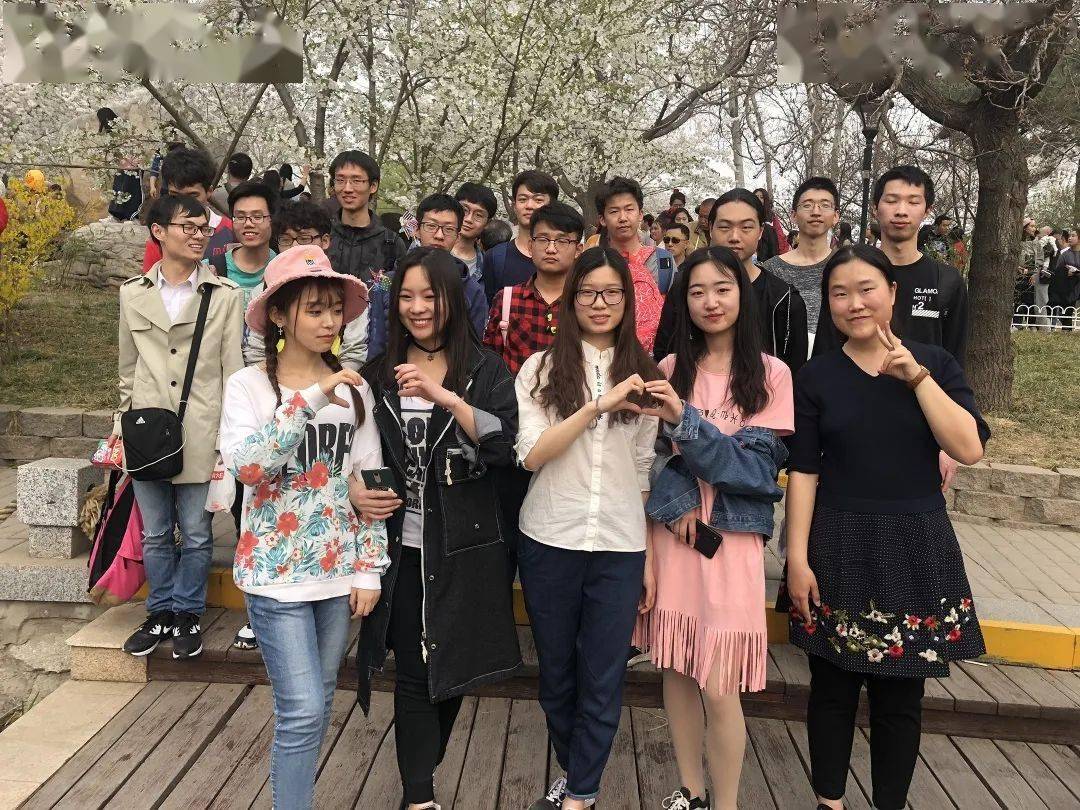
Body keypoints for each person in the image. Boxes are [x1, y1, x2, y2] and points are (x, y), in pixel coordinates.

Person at [780, 244, 988, 810]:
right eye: (839, 293)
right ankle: (829, 801)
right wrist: (796, 558)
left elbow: (968, 447)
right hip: (838, 541)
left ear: (893, 293)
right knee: (832, 688)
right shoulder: (816, 377)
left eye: (866, 289)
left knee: (900, 698)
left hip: (915, 542)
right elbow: (804, 472)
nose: (854, 303)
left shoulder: (934, 364)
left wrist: (916, 378)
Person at [218, 244, 387, 810]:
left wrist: (369, 568)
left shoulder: (356, 390)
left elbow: (369, 482)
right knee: (303, 710)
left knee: (318, 703)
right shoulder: (248, 386)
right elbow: (250, 468)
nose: (329, 321)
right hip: (274, 576)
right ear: (280, 314)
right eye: (315, 309)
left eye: (335, 309)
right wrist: (311, 398)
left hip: (337, 575)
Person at [353, 247, 521, 810]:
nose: (418, 308)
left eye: (430, 296)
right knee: (413, 670)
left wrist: (444, 396)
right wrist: (355, 490)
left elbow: (505, 445)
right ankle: (419, 796)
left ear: (452, 300)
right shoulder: (378, 374)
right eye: (406, 297)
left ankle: (421, 767)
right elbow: (352, 453)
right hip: (399, 547)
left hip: (465, 547)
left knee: (453, 668)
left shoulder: (485, 370)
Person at [634, 245, 793, 810]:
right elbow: (648, 460)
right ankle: (691, 791)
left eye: (723, 288)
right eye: (697, 291)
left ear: (742, 295)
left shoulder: (772, 375)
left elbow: (750, 471)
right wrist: (674, 506)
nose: (710, 301)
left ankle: (725, 803)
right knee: (676, 668)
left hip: (730, 545)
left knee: (721, 686)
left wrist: (686, 421)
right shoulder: (668, 370)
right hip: (673, 539)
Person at [515, 247, 660, 810]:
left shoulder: (646, 374)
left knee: (603, 675)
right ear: (571, 299)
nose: (600, 304)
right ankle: (576, 772)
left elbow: (643, 471)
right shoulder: (541, 369)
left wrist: (646, 555)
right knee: (557, 677)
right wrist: (597, 405)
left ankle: (580, 793)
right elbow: (532, 454)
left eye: (612, 293)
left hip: (619, 545)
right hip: (550, 536)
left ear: (627, 300)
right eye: (588, 293)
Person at [119, 194, 244, 659]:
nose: (198, 236)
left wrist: (227, 437)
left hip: (200, 428)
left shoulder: (224, 295)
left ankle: (187, 611)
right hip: (146, 431)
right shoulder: (132, 293)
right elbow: (127, 368)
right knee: (154, 532)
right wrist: (122, 424)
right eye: (187, 227)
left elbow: (232, 370)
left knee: (195, 531)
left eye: (203, 228)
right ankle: (159, 611)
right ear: (159, 231)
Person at [483, 201, 584, 574]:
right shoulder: (508, 299)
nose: (551, 248)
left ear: (579, 247)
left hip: (572, 436)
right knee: (507, 534)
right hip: (517, 435)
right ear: (530, 243)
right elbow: (491, 364)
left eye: (562, 240)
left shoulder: (588, 303)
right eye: (543, 239)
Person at [813, 165, 969, 366]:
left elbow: (955, 360)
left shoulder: (947, 280)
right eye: (891, 200)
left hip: (924, 384)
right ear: (875, 208)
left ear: (927, 210)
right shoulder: (846, 272)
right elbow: (825, 351)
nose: (901, 211)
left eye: (913, 202)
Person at [659, 188, 808, 375]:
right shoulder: (685, 286)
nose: (735, 237)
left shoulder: (784, 299)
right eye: (724, 227)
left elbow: (795, 374)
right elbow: (665, 351)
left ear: (760, 231)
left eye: (746, 227)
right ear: (711, 228)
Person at [367, 194, 488, 359]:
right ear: (417, 229)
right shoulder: (387, 282)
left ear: (458, 236)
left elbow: (471, 351)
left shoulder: (471, 290)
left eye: (448, 229)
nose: (439, 235)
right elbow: (377, 342)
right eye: (431, 226)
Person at [594, 176, 675, 354]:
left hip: (657, 359)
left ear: (640, 214)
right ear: (602, 219)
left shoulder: (663, 261)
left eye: (629, 209)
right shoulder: (594, 263)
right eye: (614, 211)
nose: (623, 218)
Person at [762, 177, 840, 356]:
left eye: (825, 205)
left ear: (836, 216)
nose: (816, 212)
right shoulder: (770, 269)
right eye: (807, 205)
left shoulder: (845, 267)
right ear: (793, 215)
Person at [140, 147, 235, 272]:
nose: (184, 204)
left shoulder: (231, 231)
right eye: (175, 196)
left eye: (192, 196)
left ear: (209, 191)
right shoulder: (161, 234)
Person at [326, 149, 406, 283]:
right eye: (340, 180)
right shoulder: (322, 236)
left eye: (356, 180)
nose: (347, 188)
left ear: (373, 186)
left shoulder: (391, 244)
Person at [482, 169, 559, 302]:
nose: (529, 206)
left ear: (553, 205)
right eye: (522, 199)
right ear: (514, 206)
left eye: (538, 200)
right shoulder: (495, 257)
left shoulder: (565, 257)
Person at [452, 182, 497, 282]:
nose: (469, 219)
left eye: (478, 215)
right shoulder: (431, 249)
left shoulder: (488, 267)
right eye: (464, 210)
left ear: (487, 223)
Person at [1049, 227, 1080, 330]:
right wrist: (1066, 272)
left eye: (1073, 236)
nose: (1070, 238)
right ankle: (1066, 330)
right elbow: (1058, 271)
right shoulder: (1064, 254)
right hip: (1069, 288)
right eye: (1069, 236)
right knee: (1067, 311)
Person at [1016, 218, 1040, 329]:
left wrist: (1035, 274)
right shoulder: (1016, 241)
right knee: (1017, 299)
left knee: (1030, 300)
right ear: (1025, 227)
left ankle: (1031, 325)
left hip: (1032, 275)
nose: (1034, 228)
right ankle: (1017, 324)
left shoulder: (1036, 242)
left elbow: (1040, 260)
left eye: (1035, 226)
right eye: (1032, 226)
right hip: (1018, 274)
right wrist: (1017, 267)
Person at [753, 187, 790, 254]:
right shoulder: (747, 214)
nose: (758, 199)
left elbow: (779, 234)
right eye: (756, 197)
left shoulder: (771, 216)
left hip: (768, 252)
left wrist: (782, 253)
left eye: (761, 197)